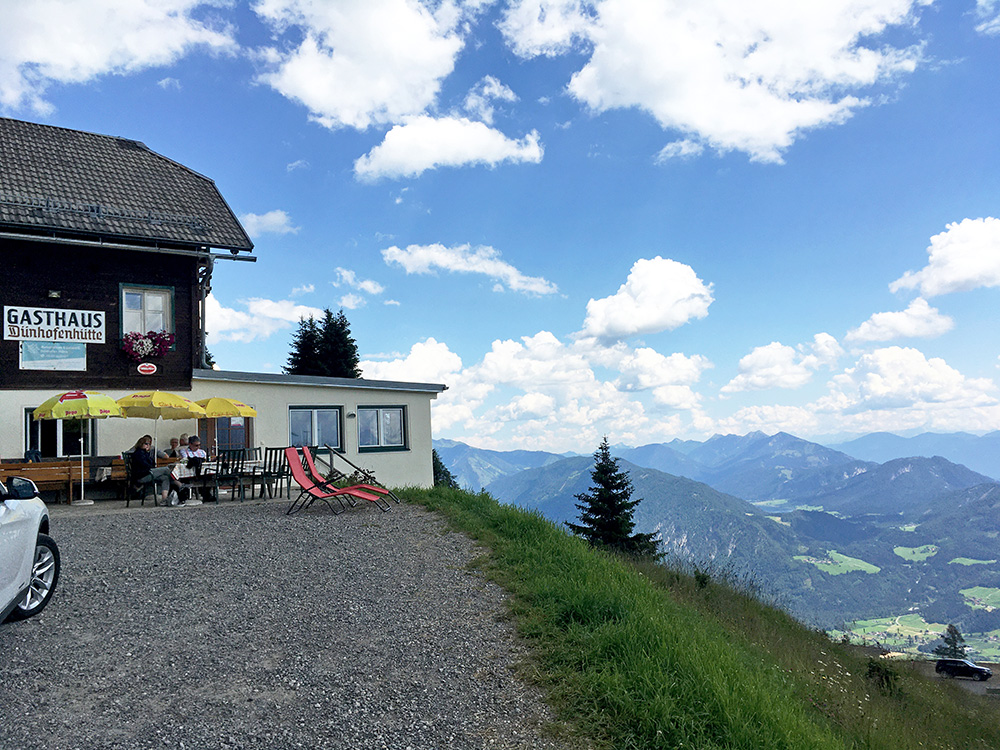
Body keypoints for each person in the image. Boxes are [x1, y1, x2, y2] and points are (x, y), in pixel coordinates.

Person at [129, 435, 182, 506]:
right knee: (166, 469)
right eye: (146, 444)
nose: (148, 445)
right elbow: (146, 465)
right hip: (142, 475)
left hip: (147, 473)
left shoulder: (145, 453)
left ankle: (164, 499)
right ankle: (179, 484)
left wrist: (148, 453)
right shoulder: (138, 454)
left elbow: (152, 463)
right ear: (141, 444)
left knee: (165, 478)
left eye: (149, 444)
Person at [177, 435, 211, 504]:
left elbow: (206, 461)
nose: (198, 447)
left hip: (202, 472)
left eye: (199, 445)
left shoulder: (202, 452)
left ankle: (206, 494)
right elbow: (186, 460)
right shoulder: (184, 451)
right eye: (196, 445)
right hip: (189, 472)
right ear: (190, 444)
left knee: (209, 475)